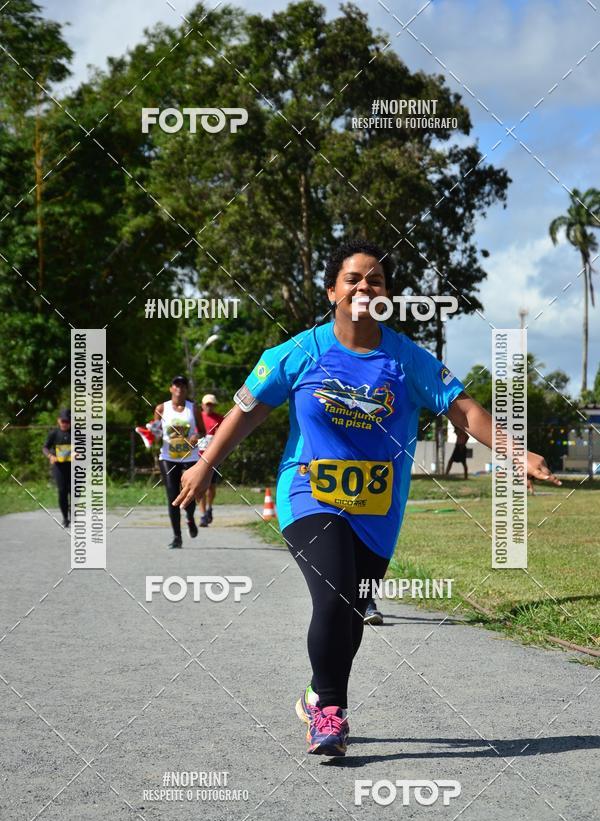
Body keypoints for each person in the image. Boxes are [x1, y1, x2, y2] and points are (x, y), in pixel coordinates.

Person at [173, 239, 561, 757]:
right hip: (309, 491)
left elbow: (465, 411)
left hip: (378, 509)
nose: (363, 286)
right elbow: (248, 409)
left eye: (374, 280)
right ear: (331, 290)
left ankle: (316, 692)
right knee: (334, 592)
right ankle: (331, 710)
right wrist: (205, 463)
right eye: (353, 278)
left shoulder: (407, 359)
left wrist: (516, 451)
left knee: (352, 610)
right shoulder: (297, 353)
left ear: (387, 295)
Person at [154, 376, 204, 549]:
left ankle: (190, 518)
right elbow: (156, 431)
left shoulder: (193, 409)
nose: (180, 388)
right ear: (171, 389)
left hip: (190, 457)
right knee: (172, 496)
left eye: (183, 385)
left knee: (190, 493)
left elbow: (203, 431)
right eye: (176, 385)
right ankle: (177, 537)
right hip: (168, 457)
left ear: (186, 390)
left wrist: (196, 436)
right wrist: (154, 434)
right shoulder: (161, 408)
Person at [198, 393, 224, 527]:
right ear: (202, 405)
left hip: (214, 458)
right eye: (207, 404)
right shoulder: (197, 418)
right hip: (198, 457)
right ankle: (202, 515)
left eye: (212, 405)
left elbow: (224, 436)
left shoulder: (219, 419)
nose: (209, 407)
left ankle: (209, 507)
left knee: (211, 488)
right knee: (200, 486)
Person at [43, 408, 72, 528]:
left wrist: (79, 453)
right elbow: (45, 447)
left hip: (74, 468)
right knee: (62, 492)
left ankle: (73, 513)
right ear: (58, 421)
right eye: (63, 421)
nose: (65, 424)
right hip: (59, 468)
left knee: (75, 493)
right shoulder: (54, 434)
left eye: (67, 421)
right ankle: (65, 518)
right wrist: (50, 456)